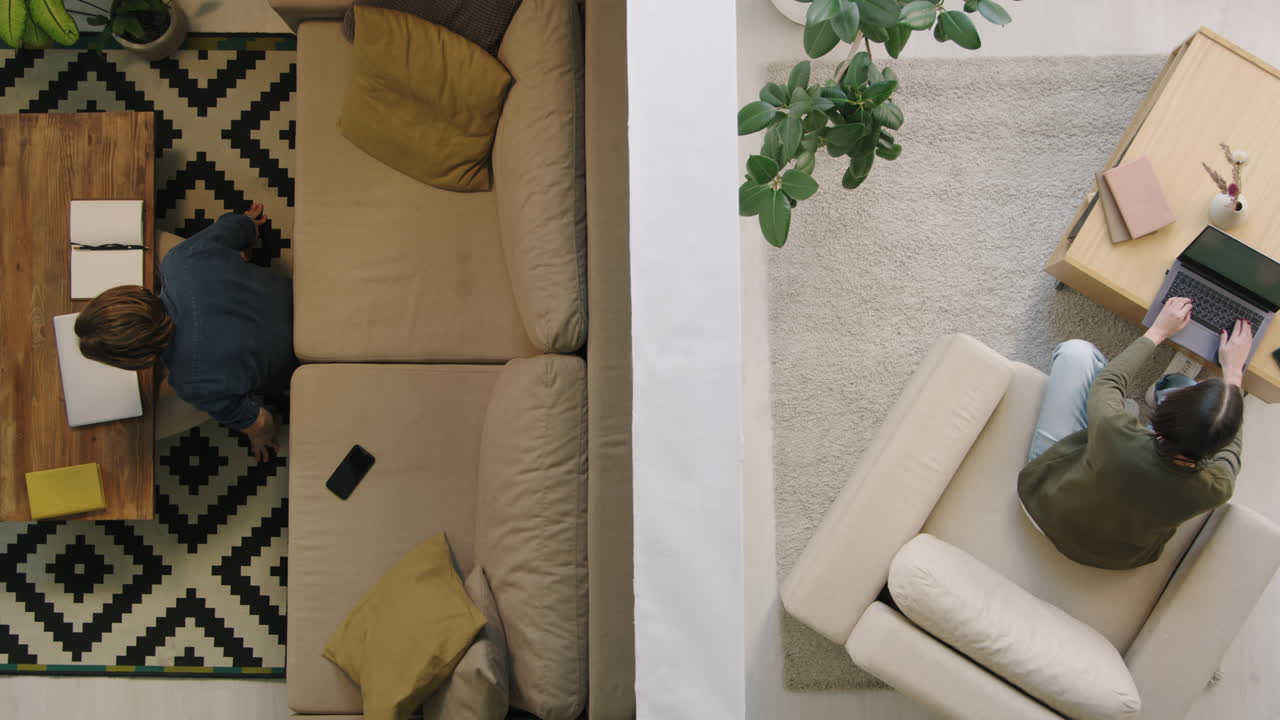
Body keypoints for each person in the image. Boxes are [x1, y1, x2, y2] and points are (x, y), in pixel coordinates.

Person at [1018, 296, 1251, 570]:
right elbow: (1232, 452)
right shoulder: (1217, 489)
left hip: (1044, 506)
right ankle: (1174, 389)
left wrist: (1159, 331)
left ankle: (1171, 391)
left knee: (1076, 353)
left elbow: (1110, 382)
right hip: (1116, 558)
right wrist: (1233, 373)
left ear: (1164, 419)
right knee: (1183, 388)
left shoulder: (1117, 431)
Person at [75, 203, 295, 463]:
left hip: (296, 358)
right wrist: (248, 224)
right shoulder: (180, 261)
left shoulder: (191, 384)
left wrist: (260, 438)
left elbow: (261, 421)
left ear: (135, 359)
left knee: (192, 405)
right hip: (295, 299)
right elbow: (238, 228)